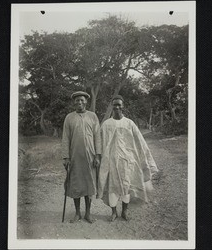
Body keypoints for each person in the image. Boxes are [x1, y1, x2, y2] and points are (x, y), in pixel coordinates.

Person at [98, 95, 158, 221]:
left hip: (127, 162)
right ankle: (114, 212)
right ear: (112, 106)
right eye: (115, 104)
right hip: (110, 162)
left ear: (123, 106)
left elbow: (140, 142)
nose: (117, 107)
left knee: (126, 186)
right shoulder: (106, 124)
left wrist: (144, 158)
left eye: (119, 104)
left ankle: (125, 211)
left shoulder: (129, 123)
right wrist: (98, 156)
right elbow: (100, 142)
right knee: (112, 187)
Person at [61, 91, 101, 223]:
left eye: (82, 100)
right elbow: (65, 138)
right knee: (76, 185)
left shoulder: (93, 116)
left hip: (90, 157)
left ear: (86, 102)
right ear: (74, 102)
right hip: (75, 157)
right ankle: (77, 213)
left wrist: (97, 155)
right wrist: (66, 157)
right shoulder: (69, 117)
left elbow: (97, 137)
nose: (79, 102)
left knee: (89, 184)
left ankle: (88, 213)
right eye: (77, 100)